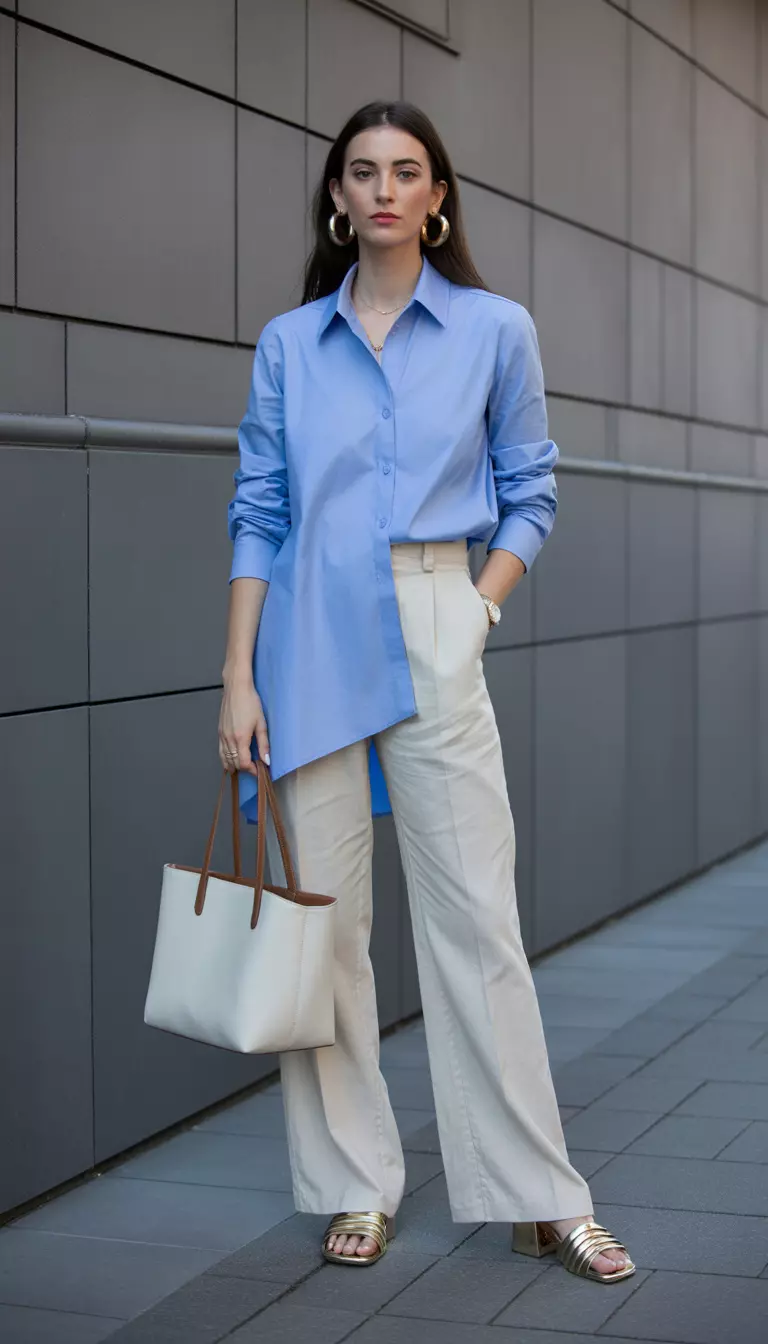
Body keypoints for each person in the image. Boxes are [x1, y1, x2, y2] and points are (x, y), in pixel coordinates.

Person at [218, 99, 634, 1284]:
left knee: (478, 926)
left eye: (407, 171)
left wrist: (477, 606)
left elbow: (532, 489)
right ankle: (356, 1183)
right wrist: (237, 678)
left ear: (438, 195)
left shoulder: (497, 328)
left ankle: (541, 1195)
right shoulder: (291, 344)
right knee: (326, 933)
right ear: (337, 199)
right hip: (303, 643)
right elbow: (259, 512)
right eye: (363, 172)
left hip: (433, 616)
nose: (386, 189)